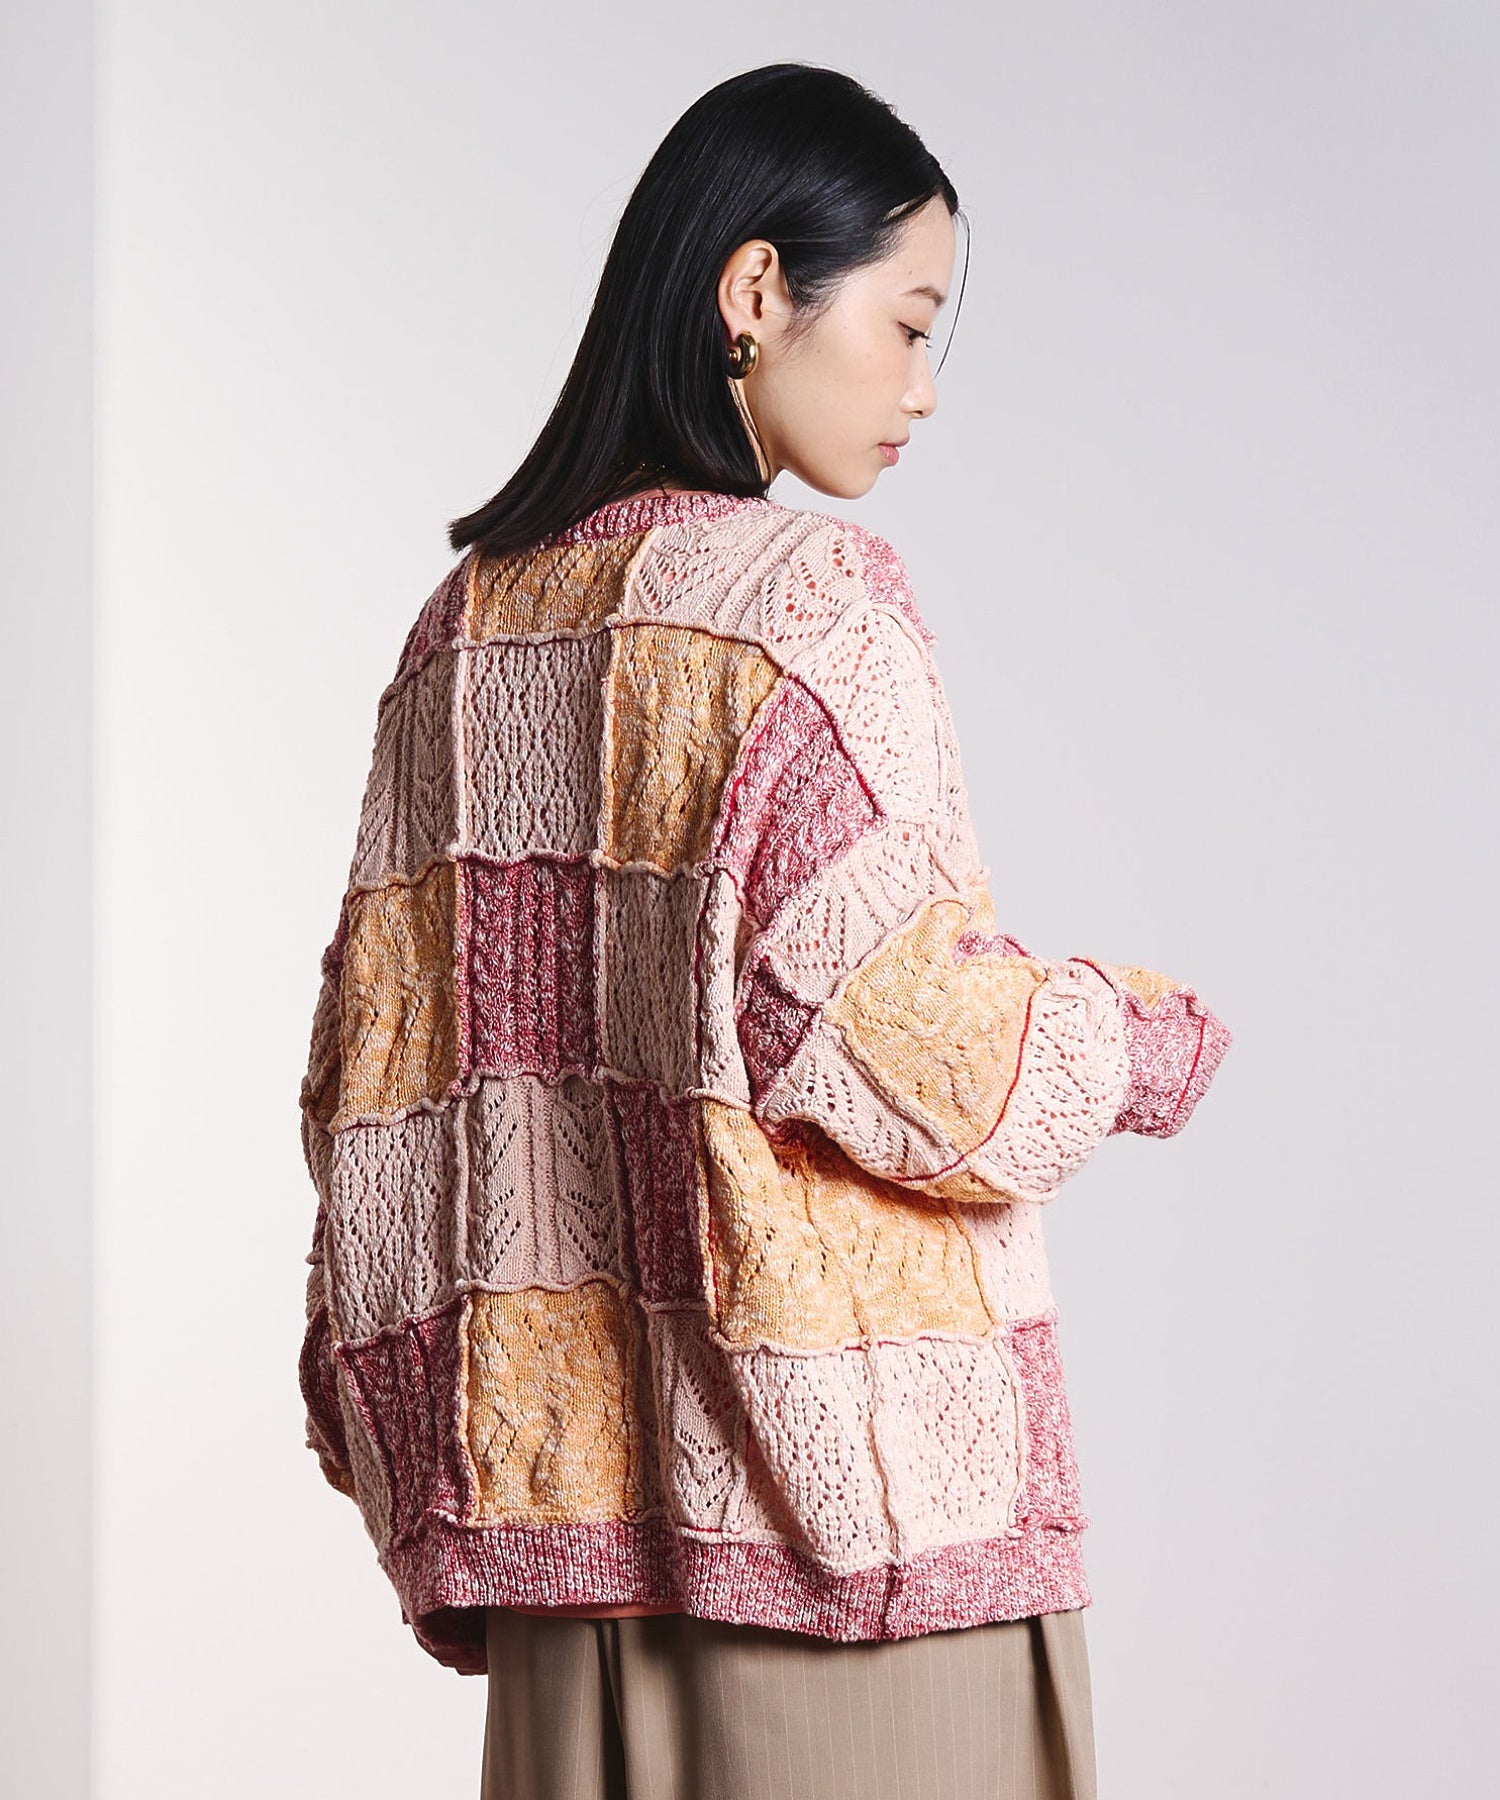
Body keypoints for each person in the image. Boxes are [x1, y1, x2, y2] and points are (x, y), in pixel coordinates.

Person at [296, 62, 1233, 1800]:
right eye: (909, 323)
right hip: (840, 1568)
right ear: (754, 290)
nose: (924, 387)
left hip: (570, 1579)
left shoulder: (460, 636)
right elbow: (903, 1041)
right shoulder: (807, 601)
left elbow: (377, 1110)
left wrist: (444, 1475)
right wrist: (1136, 1038)